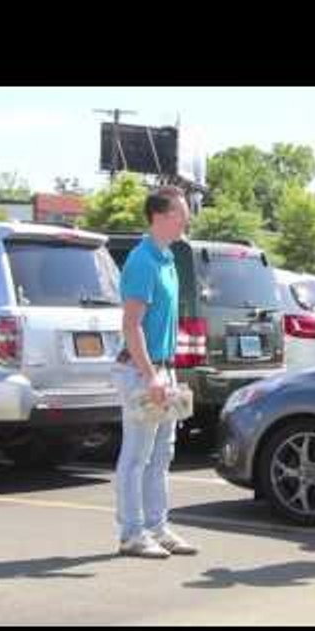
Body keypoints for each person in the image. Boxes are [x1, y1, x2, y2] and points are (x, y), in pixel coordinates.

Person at [111, 185, 198, 559]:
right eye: (181, 212)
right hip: (142, 371)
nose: (187, 218)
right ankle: (132, 533)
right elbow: (132, 325)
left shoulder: (167, 259)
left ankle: (157, 527)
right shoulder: (142, 261)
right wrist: (151, 376)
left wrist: (167, 372)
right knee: (137, 454)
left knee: (162, 453)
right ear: (160, 216)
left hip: (165, 368)